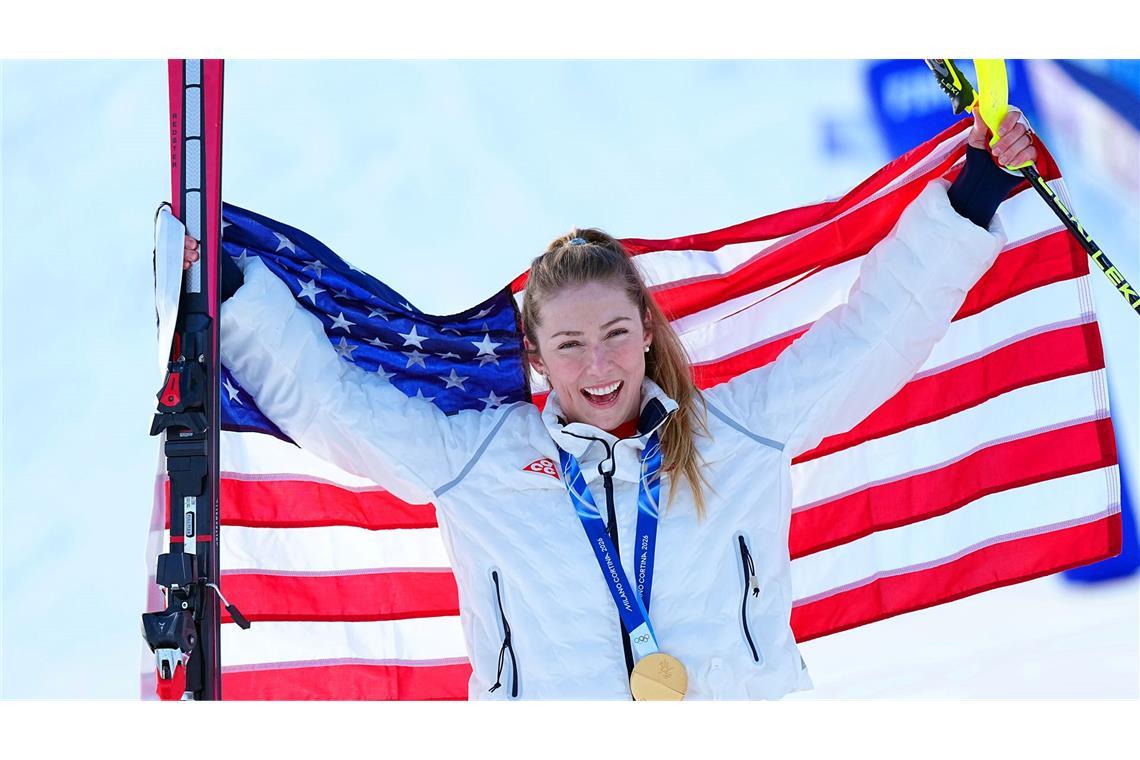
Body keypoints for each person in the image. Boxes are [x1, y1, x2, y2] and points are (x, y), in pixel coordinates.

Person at [182, 109, 1036, 699]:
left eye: (616, 334)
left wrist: (969, 206)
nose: (599, 366)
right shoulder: (477, 459)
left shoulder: (738, 429)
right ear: (535, 354)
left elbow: (868, 340)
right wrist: (237, 298)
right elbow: (336, 406)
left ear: (646, 326)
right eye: (569, 344)